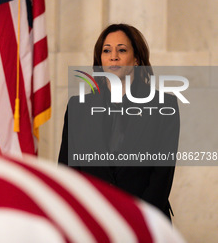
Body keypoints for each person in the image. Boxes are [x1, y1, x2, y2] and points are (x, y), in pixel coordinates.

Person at [58, 23, 180, 220]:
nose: (113, 56)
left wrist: (136, 219)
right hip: (93, 221)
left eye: (121, 50)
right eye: (107, 51)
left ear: (136, 59)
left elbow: (161, 176)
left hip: (146, 221)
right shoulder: (78, 107)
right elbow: (68, 172)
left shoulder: (164, 105)